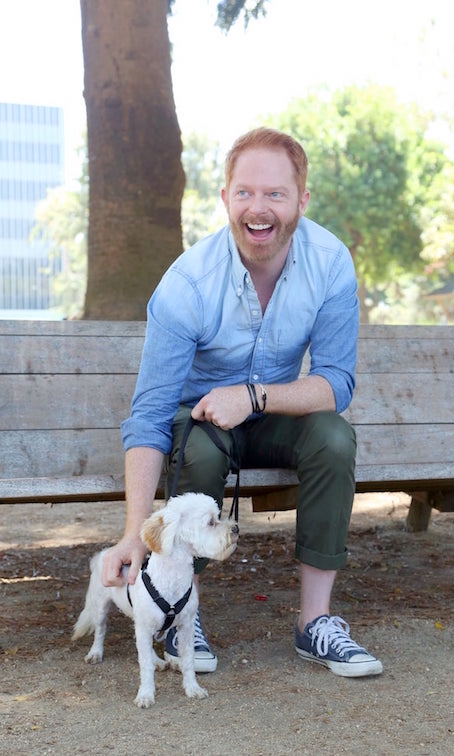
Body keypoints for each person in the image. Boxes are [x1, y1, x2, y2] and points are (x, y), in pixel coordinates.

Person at [102, 127, 383, 679]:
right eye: (245, 193)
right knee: (200, 447)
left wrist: (253, 396)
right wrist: (136, 529)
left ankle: (316, 624)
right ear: (226, 197)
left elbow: (336, 383)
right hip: (201, 422)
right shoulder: (187, 285)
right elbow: (151, 414)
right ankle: (184, 616)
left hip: (272, 413)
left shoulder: (329, 263)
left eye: (275, 194)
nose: (259, 209)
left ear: (301, 199)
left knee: (333, 435)